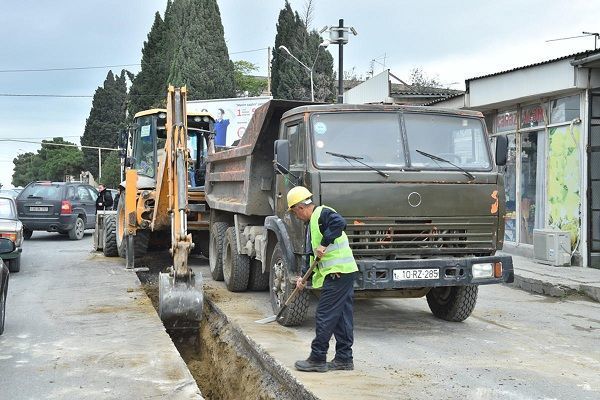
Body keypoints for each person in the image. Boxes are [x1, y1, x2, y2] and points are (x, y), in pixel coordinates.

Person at [287, 186, 358, 373]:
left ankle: (317, 358)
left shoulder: (323, 213)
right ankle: (344, 358)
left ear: (300, 208)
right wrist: (303, 277)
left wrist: (325, 243)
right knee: (341, 317)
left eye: (295, 213)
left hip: (338, 273)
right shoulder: (312, 224)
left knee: (324, 315)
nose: (296, 217)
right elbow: (311, 255)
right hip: (344, 273)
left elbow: (340, 223)